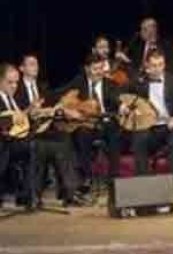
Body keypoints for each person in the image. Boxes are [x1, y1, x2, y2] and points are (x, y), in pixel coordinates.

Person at [15, 55, 86, 207]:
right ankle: (32, 194)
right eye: (32, 64)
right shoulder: (16, 88)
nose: (36, 67)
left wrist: (61, 110)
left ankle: (69, 192)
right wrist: (31, 110)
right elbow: (15, 114)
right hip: (26, 131)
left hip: (45, 128)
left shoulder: (43, 87)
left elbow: (52, 107)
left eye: (37, 64)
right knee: (42, 146)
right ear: (22, 68)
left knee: (64, 140)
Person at [58, 54, 121, 193]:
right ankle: (86, 177)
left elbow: (117, 100)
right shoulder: (78, 82)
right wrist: (66, 109)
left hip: (106, 122)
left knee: (114, 131)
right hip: (86, 124)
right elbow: (61, 95)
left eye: (101, 68)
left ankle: (114, 179)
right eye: (95, 69)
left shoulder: (111, 84)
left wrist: (121, 106)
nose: (99, 72)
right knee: (81, 134)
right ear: (87, 69)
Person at [129, 50, 173, 186]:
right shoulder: (139, 82)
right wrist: (124, 106)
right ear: (147, 65)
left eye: (160, 65)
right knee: (139, 138)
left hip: (168, 127)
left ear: (164, 64)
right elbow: (125, 96)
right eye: (153, 65)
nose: (157, 69)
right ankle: (144, 184)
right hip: (148, 126)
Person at [0, 64, 35, 209]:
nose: (14, 86)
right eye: (10, 82)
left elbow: (21, 122)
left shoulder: (14, 99)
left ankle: (25, 195)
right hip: (3, 142)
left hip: (15, 140)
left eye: (16, 82)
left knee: (35, 146)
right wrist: (12, 120)